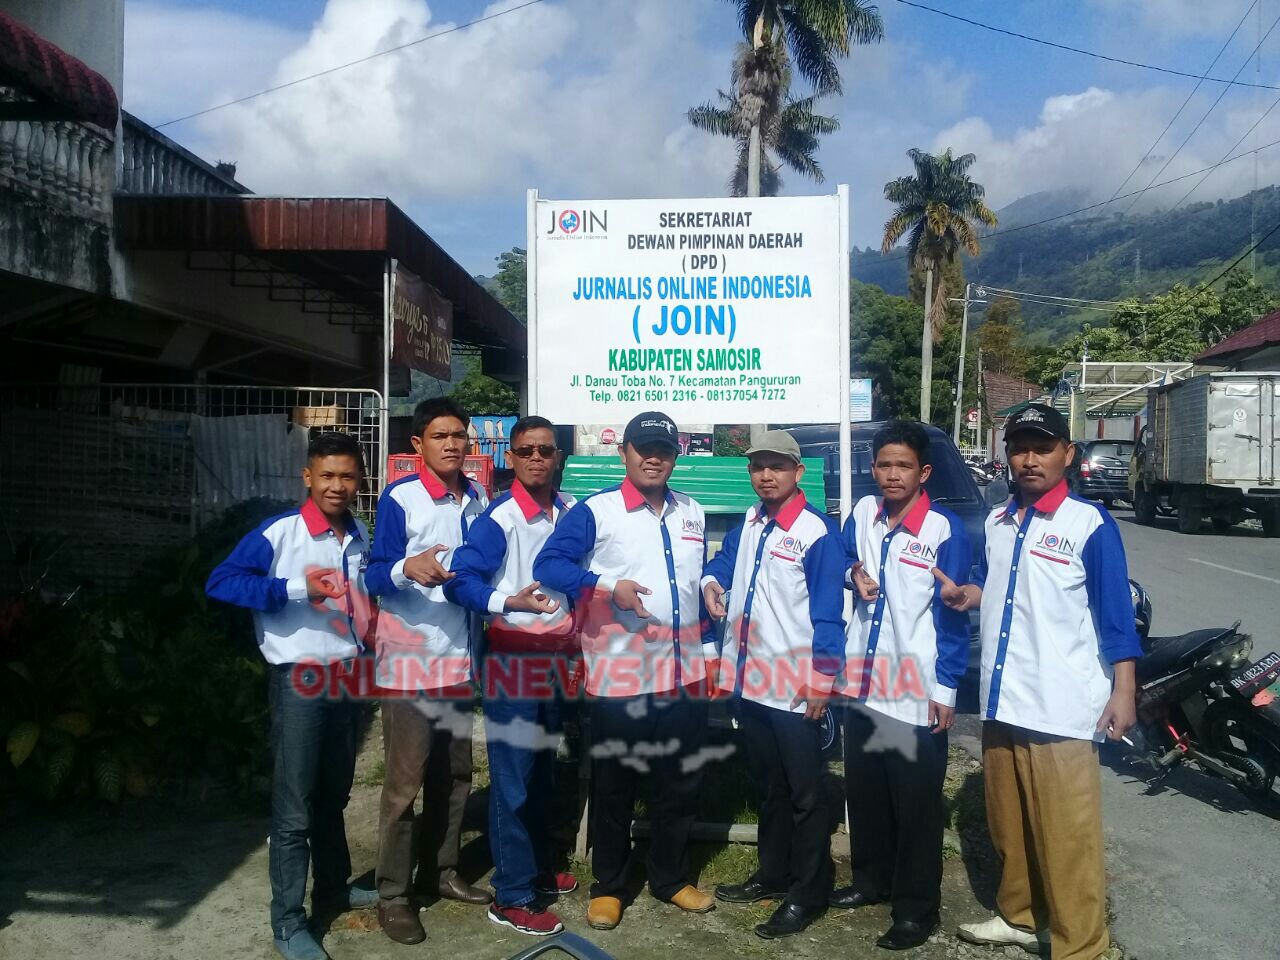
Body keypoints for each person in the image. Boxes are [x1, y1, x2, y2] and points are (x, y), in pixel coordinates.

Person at [948, 403, 1142, 960]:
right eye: (1019, 448)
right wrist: (968, 594)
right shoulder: (998, 520)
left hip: (1061, 705)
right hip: (1004, 699)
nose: (1029, 459)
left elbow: (1114, 616)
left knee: (1067, 835)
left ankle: (1080, 945)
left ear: (1067, 454)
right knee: (1008, 822)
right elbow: (992, 585)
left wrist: (1123, 690)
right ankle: (1020, 916)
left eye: (1042, 447)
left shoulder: (1089, 524)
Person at [533, 411, 717, 931]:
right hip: (621, 680)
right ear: (625, 453)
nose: (653, 457)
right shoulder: (597, 512)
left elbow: (693, 578)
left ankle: (670, 877)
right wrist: (604, 585)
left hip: (682, 676)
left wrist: (707, 592)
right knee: (615, 788)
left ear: (676, 455)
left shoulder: (692, 512)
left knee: (678, 785)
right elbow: (549, 566)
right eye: (643, 447)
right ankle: (610, 886)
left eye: (663, 449)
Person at [206, 431, 377, 960]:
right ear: (307, 476)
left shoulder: (360, 534)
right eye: (327, 475)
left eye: (347, 476)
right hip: (299, 679)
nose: (337, 486)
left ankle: (333, 887)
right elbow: (221, 582)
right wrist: (294, 588)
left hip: (347, 678)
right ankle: (287, 921)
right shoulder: (280, 533)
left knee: (334, 795)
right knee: (295, 807)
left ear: (359, 480)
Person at [700, 430, 846, 939]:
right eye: (758, 466)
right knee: (769, 789)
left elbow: (831, 612)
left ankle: (808, 892)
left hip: (796, 686)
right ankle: (772, 873)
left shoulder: (816, 532)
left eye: (777, 466)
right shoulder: (751, 521)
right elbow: (725, 563)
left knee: (807, 795)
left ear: (798, 472)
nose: (766, 475)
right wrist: (711, 581)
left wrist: (823, 678)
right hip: (751, 679)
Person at [831, 420, 971, 951]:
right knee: (865, 791)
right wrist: (853, 574)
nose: (892, 475)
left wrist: (947, 689)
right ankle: (871, 881)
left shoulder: (942, 530)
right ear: (873, 469)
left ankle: (916, 909)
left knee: (916, 804)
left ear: (924, 471)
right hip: (863, 681)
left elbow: (954, 617)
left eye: (903, 466)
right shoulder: (863, 514)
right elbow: (843, 556)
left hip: (915, 687)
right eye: (884, 465)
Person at [443, 415, 579, 936]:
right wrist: (508, 602)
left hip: (558, 658)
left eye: (545, 450)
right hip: (513, 659)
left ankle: (538, 869)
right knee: (513, 777)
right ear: (511, 458)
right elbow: (461, 583)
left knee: (543, 769)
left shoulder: (570, 511)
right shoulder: (500, 518)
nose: (537, 458)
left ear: (558, 456)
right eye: (526, 451)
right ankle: (513, 894)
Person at [365, 398, 492, 946]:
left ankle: (441, 872)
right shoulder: (402, 497)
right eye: (440, 436)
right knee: (404, 784)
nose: (452, 444)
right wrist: (403, 567)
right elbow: (372, 574)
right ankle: (393, 895)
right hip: (411, 663)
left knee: (456, 774)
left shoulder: (480, 497)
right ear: (418, 445)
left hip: (459, 661)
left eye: (459, 435)